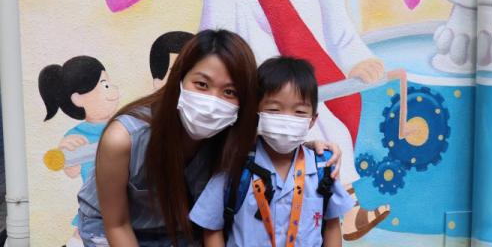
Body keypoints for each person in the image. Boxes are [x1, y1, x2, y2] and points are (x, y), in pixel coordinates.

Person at [200, 0, 388, 239]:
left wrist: (355, 57)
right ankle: (341, 211)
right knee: (311, 135)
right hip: (260, 84)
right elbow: (214, 35)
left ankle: (340, 212)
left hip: (313, 69)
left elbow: (335, 13)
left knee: (329, 128)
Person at [77, 30, 340, 246]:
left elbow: (278, 143)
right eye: (202, 84)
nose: (213, 102)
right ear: (180, 79)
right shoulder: (123, 138)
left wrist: (311, 148)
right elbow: (117, 224)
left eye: (229, 92)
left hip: (180, 232)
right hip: (114, 229)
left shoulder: (231, 131)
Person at [190, 56, 354, 247]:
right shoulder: (235, 167)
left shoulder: (323, 168)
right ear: (256, 113)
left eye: (299, 112)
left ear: (312, 120)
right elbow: (212, 227)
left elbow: (332, 226)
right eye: (274, 109)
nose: (287, 120)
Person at [38, 56, 120, 247]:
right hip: (95, 211)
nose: (113, 89)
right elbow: (72, 171)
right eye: (104, 85)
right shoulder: (75, 137)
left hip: (126, 206)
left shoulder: (123, 123)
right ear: (78, 98)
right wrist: (65, 150)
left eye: (109, 83)